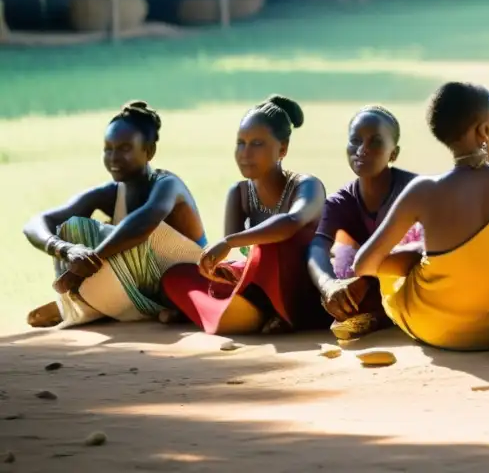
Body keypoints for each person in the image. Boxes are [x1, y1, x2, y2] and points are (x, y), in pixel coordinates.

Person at [352, 82, 489, 351]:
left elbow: (364, 265)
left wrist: (415, 256)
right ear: (485, 131)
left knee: (407, 264)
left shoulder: (423, 191)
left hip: (431, 327)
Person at [22, 101, 207, 328]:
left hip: (188, 279)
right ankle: (95, 304)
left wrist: (82, 269)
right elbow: (36, 223)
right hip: (145, 286)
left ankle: (88, 304)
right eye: (108, 148)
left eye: (124, 148)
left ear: (149, 151)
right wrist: (68, 250)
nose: (113, 157)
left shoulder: (168, 184)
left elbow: (143, 222)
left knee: (95, 230)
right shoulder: (110, 193)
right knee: (72, 229)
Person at [161, 95, 331, 335]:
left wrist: (230, 241)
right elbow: (236, 255)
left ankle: (258, 313)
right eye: (241, 143)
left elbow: (291, 223)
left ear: (282, 148)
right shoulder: (239, 193)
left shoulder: (307, 186)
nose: (245, 153)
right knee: (177, 275)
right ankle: (248, 312)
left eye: (257, 144)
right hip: (255, 281)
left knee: (270, 242)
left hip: (301, 289)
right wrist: (218, 269)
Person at [307, 106, 421, 340]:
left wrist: (367, 280)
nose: (362, 150)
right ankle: (375, 314)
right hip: (367, 289)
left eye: (375, 142)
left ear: (394, 153)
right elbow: (317, 247)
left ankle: (381, 314)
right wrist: (329, 285)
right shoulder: (340, 202)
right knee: (335, 271)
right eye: (355, 140)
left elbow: (429, 250)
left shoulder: (415, 191)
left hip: (413, 286)